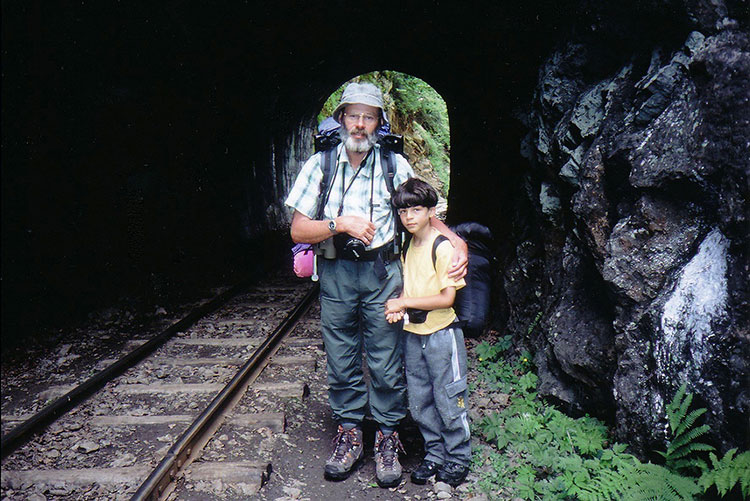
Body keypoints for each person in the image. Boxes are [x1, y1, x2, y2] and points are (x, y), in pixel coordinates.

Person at [285, 82, 468, 488]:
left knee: (385, 356)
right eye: (354, 115)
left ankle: (387, 435)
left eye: (369, 117)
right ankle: (350, 432)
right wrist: (340, 223)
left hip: (383, 271)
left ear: (379, 123)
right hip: (336, 271)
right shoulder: (320, 165)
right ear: (341, 118)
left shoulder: (394, 166)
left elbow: (421, 208)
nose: (361, 124)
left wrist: (455, 241)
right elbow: (298, 226)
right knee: (341, 353)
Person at [385, 178, 472, 487]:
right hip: (414, 333)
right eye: (403, 211)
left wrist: (404, 301)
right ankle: (435, 454)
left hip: (442, 333)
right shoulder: (409, 245)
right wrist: (401, 308)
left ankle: (458, 457)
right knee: (420, 399)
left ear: (431, 211)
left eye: (417, 210)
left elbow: (447, 298)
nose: (409, 217)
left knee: (449, 396)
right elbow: (411, 284)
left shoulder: (441, 245)